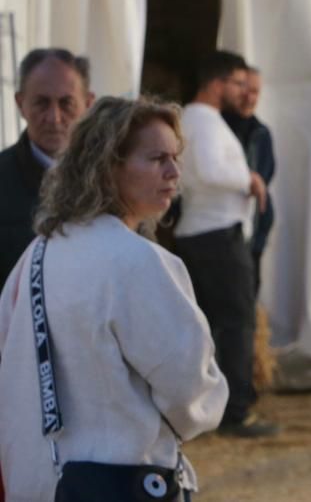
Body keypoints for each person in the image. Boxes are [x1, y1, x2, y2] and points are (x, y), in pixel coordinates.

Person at [0, 96, 227, 501]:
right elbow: (192, 392)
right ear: (107, 167)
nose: (174, 172)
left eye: (175, 157)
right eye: (156, 158)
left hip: (33, 483)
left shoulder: (34, 257)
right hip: (119, 481)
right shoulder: (138, 263)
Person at [172, 51, 277, 438]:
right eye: (236, 82)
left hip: (208, 232)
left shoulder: (200, 119)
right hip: (216, 235)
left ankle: (210, 407)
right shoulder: (201, 119)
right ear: (217, 83)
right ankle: (235, 412)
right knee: (236, 323)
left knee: (213, 323)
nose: (243, 90)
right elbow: (209, 171)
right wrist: (249, 179)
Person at [0, 49, 93, 280]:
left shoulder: (114, 180)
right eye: (42, 103)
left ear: (89, 104)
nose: (54, 117)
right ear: (20, 104)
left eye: (66, 103)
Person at [222, 65, 275, 293]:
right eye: (244, 89)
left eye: (255, 91)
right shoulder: (219, 126)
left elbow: (265, 175)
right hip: (225, 227)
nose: (249, 97)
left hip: (253, 228)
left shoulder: (261, 133)